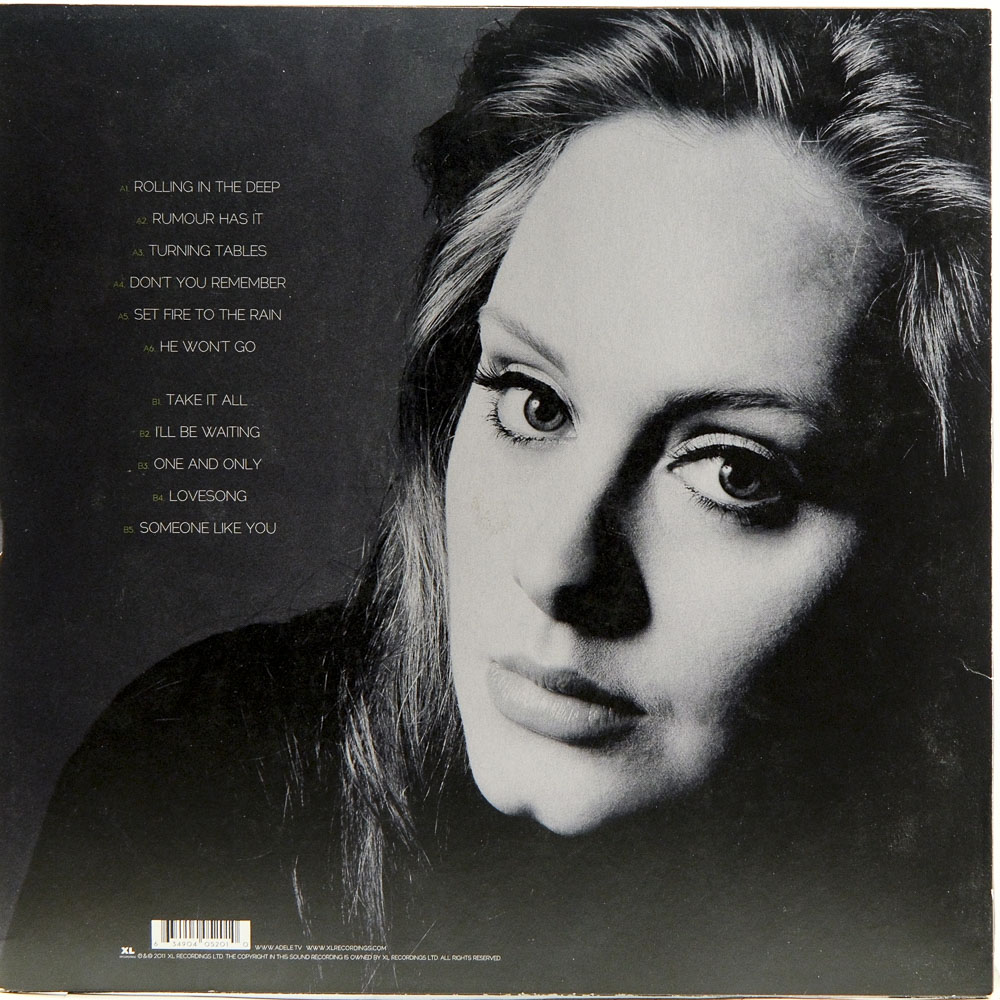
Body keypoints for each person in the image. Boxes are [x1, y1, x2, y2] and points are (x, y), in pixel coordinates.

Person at [3, 9, 990, 996]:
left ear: (930, 550)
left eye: (735, 472)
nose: (558, 566)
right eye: (534, 403)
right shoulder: (197, 766)